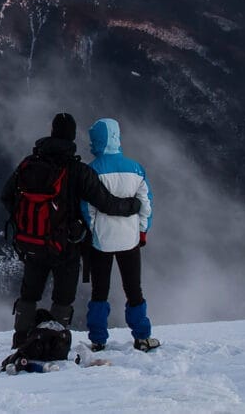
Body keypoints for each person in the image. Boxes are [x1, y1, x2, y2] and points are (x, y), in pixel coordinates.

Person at [1, 113, 143, 349]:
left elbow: (6, 196)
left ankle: (20, 340)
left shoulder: (28, 164)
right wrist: (133, 206)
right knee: (63, 297)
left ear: (51, 132)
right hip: (65, 246)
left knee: (29, 295)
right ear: (73, 137)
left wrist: (27, 222)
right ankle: (56, 341)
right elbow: (106, 203)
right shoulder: (77, 170)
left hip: (32, 243)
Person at [82, 118, 159, 352]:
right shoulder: (136, 168)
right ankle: (142, 336)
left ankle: (98, 339)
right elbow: (146, 203)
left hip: (101, 241)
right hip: (130, 239)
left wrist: (92, 232)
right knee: (134, 289)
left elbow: (88, 209)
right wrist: (142, 231)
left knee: (99, 291)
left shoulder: (92, 170)